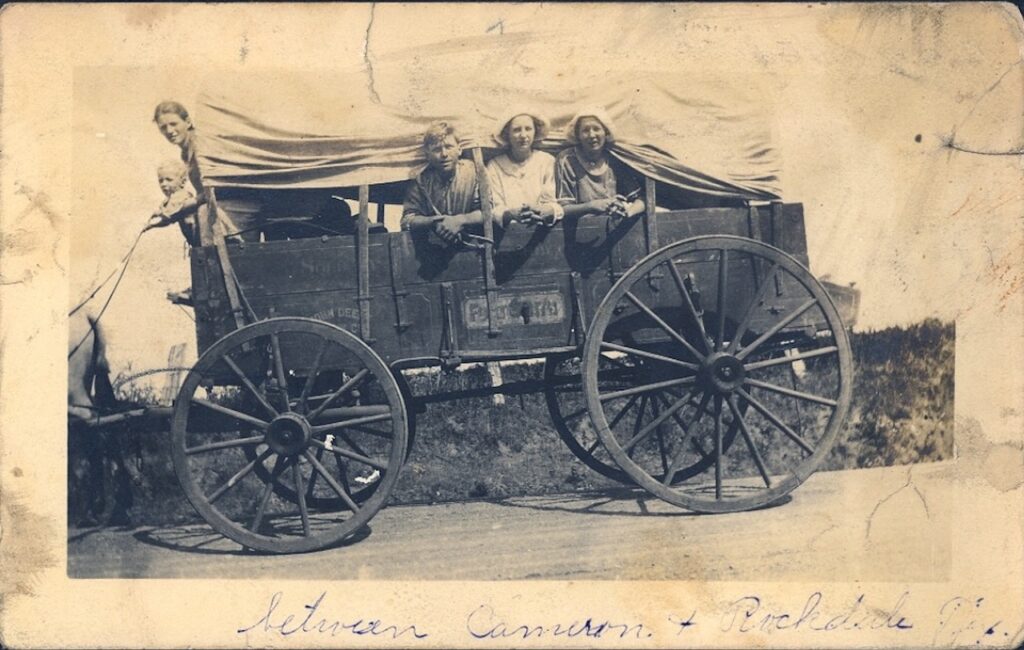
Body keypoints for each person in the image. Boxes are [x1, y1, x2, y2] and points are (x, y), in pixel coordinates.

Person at [148, 100, 263, 243]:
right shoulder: (185, 153)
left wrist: (182, 206)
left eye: (173, 124)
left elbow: (219, 186)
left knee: (202, 213)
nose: (169, 131)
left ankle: (211, 260)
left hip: (237, 204)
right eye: (163, 127)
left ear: (188, 122)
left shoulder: (201, 145)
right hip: (218, 204)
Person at [401, 122, 485, 245]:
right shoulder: (420, 179)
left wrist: (459, 220)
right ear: (427, 155)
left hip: (471, 244)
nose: (444, 154)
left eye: (449, 147)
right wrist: (434, 221)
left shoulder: (474, 172)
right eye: (436, 149)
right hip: (434, 248)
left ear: (459, 149)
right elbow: (407, 220)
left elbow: (486, 212)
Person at [556, 108, 646, 221]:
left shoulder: (614, 158)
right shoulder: (567, 159)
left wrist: (627, 211)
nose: (592, 135)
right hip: (583, 228)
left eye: (596, 129)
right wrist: (591, 206)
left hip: (611, 226)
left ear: (606, 132)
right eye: (585, 130)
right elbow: (563, 208)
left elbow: (641, 199)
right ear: (577, 135)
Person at [485, 111, 562, 227]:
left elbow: (552, 202)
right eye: (516, 130)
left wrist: (545, 210)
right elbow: (495, 208)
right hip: (509, 234)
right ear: (507, 134)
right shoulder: (495, 166)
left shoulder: (547, 162)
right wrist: (512, 214)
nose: (523, 135)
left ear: (535, 132)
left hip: (541, 230)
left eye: (528, 129)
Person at [150, 158, 196, 246]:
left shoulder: (181, 196)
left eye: (169, 180)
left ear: (182, 182)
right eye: (161, 180)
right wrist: (152, 225)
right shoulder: (172, 199)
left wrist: (157, 214)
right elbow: (168, 220)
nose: (163, 184)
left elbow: (168, 216)